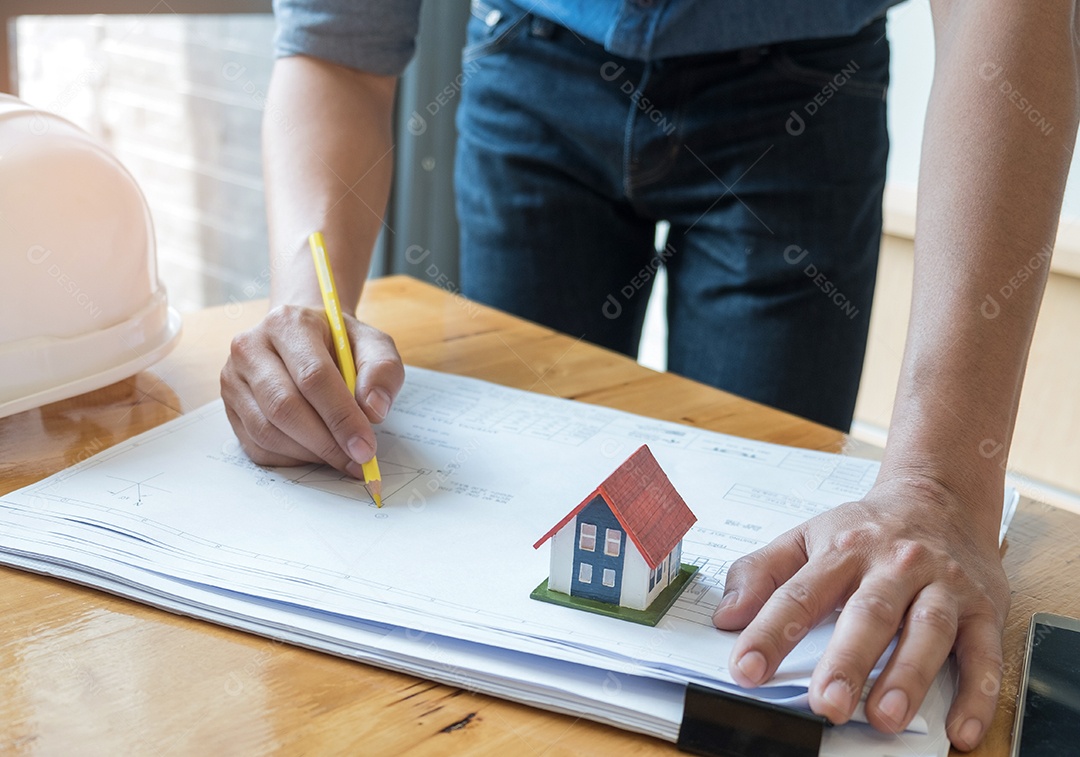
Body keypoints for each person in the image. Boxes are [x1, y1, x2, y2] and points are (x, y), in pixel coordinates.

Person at [219, 0, 1080, 749]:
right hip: (530, 53)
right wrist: (306, 325)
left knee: (771, 594)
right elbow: (339, 36)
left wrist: (940, 480)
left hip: (803, 91)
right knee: (513, 576)